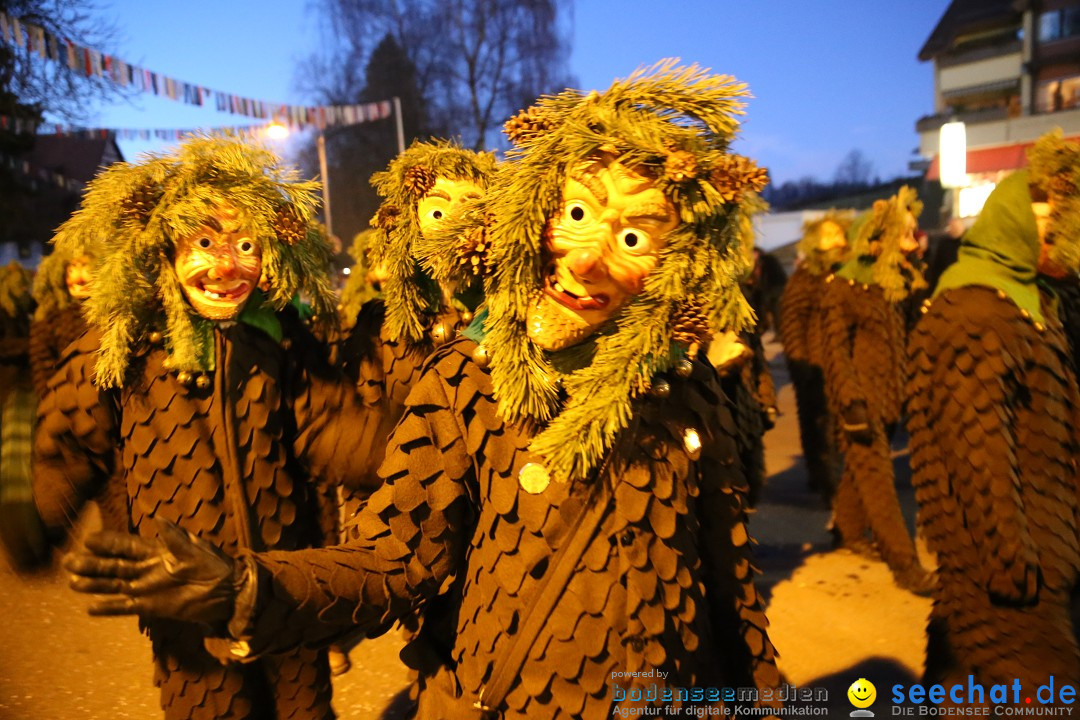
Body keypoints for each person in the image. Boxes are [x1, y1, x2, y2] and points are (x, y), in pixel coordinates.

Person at [65, 61, 782, 719]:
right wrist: (250, 587)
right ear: (533, 215)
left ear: (678, 258)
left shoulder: (690, 390)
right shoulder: (468, 377)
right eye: (576, 214)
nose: (591, 257)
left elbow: (731, 593)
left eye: (634, 238)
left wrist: (764, 701)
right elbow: (392, 559)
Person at [33, 133, 390, 719]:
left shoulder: (280, 341)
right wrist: (37, 514)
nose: (225, 266)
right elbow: (67, 440)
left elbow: (328, 426)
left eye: (244, 244)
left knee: (304, 709)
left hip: (280, 583)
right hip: (183, 600)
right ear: (165, 250)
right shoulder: (122, 346)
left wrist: (403, 450)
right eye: (203, 242)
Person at [907, 132, 1080, 693]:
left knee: (969, 681)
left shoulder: (1028, 299)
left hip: (1039, 537)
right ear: (1015, 223)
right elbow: (975, 448)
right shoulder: (975, 310)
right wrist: (1012, 559)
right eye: (1050, 225)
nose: (1061, 238)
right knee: (1048, 688)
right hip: (1006, 556)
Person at [821, 187, 933, 594]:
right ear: (880, 239)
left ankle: (847, 531)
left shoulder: (895, 284)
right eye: (903, 236)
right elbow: (835, 351)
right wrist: (851, 403)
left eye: (912, 234)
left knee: (861, 471)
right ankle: (906, 566)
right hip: (859, 402)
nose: (911, 242)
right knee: (878, 479)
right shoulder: (845, 286)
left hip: (888, 400)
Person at [778, 210, 852, 502]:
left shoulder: (843, 276)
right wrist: (802, 367)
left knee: (839, 426)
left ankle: (834, 478)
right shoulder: (804, 279)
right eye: (831, 235)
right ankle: (825, 481)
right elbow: (792, 323)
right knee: (818, 425)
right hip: (815, 365)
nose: (839, 240)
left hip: (842, 364)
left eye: (840, 233)